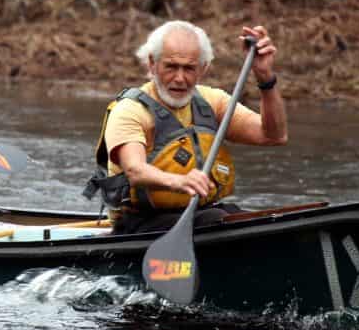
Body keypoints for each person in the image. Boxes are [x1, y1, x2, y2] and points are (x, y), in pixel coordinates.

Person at [84, 20, 288, 234]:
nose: (180, 78)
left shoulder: (213, 102)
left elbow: (274, 136)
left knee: (247, 218)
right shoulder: (130, 110)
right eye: (171, 67)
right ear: (152, 64)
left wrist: (265, 78)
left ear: (203, 68)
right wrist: (180, 181)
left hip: (201, 213)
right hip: (140, 221)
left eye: (189, 68)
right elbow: (135, 171)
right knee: (218, 220)